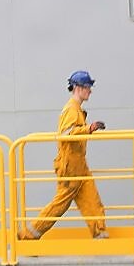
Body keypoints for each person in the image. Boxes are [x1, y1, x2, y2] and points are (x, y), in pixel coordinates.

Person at [18, 70, 109, 240]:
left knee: (92, 200)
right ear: (77, 88)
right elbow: (66, 134)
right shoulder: (71, 110)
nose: (90, 90)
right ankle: (28, 234)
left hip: (79, 166)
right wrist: (88, 128)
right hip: (70, 167)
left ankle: (100, 235)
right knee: (60, 204)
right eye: (88, 87)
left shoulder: (77, 109)